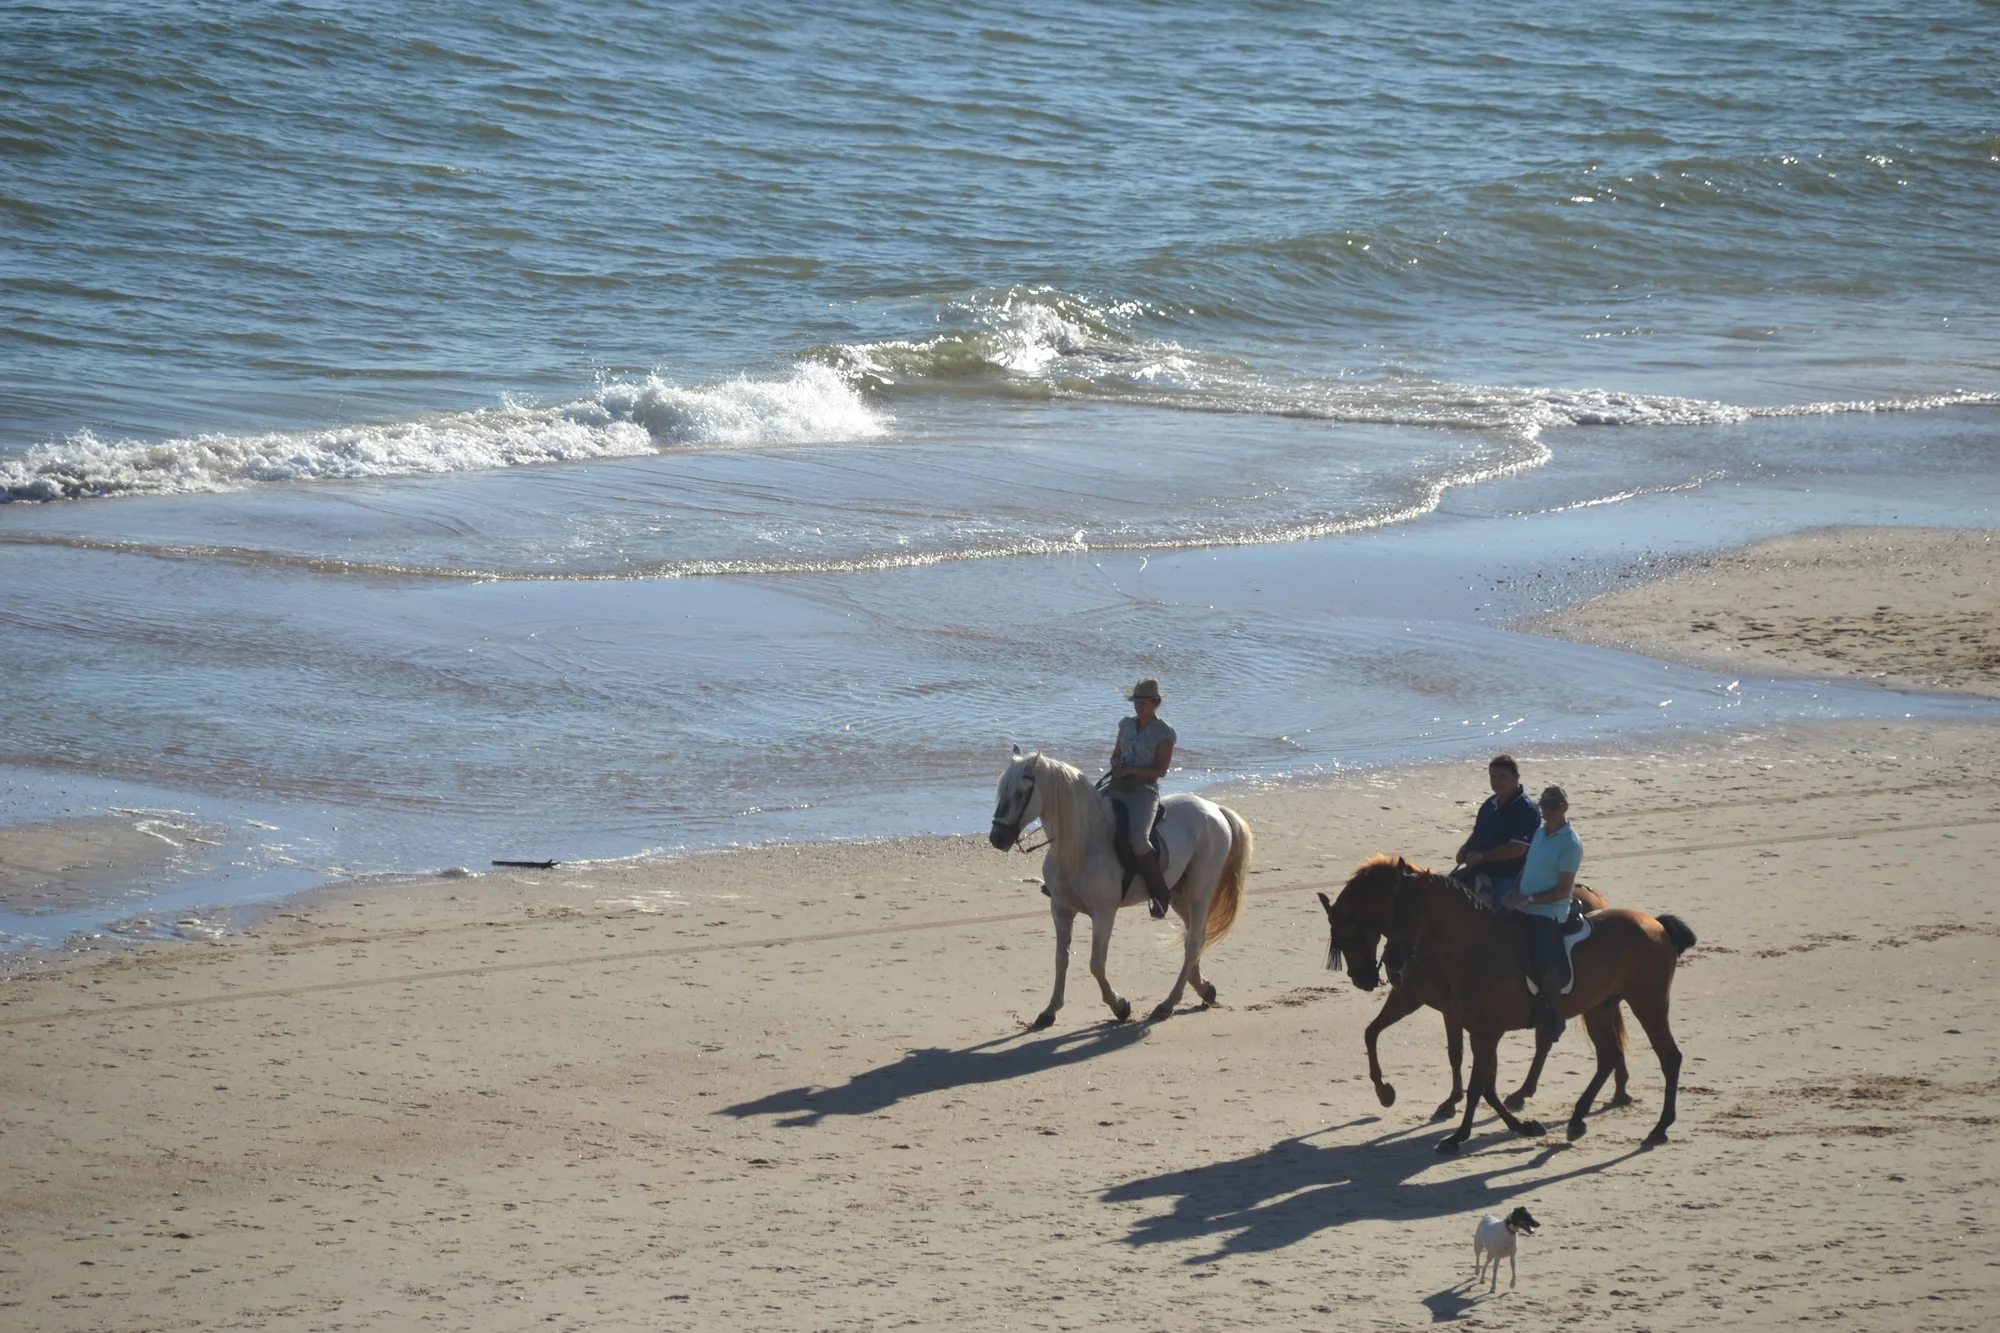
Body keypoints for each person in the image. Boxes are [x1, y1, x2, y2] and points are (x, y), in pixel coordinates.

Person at [1502, 785, 1584, 1042]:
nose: (1546, 811)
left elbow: (1563, 890)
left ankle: (1554, 1014)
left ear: (1564, 808)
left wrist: (1529, 900)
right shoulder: (1539, 833)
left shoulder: (1570, 844)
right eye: (1543, 806)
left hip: (1549, 912)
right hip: (1522, 904)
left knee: (1540, 955)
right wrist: (1513, 892)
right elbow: (1525, 870)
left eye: (1552, 807)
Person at [1107, 677, 1177, 918]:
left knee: (1138, 839)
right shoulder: (1125, 725)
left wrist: (1131, 770)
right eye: (1136, 701)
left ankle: (1160, 893)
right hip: (1117, 785)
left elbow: (1160, 771)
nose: (1139, 706)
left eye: (1144, 702)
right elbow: (1116, 754)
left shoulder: (1165, 733)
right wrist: (1116, 764)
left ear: (1155, 703)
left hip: (1143, 792)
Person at [1454, 755, 1540, 909]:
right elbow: (1478, 833)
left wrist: (1481, 856)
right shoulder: (1489, 804)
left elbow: (1517, 849)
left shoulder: (1526, 809)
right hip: (1479, 871)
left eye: (1502, 776)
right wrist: (1466, 848)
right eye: (1493, 776)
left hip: (1508, 875)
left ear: (1516, 777)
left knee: (1499, 917)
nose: (1497, 781)